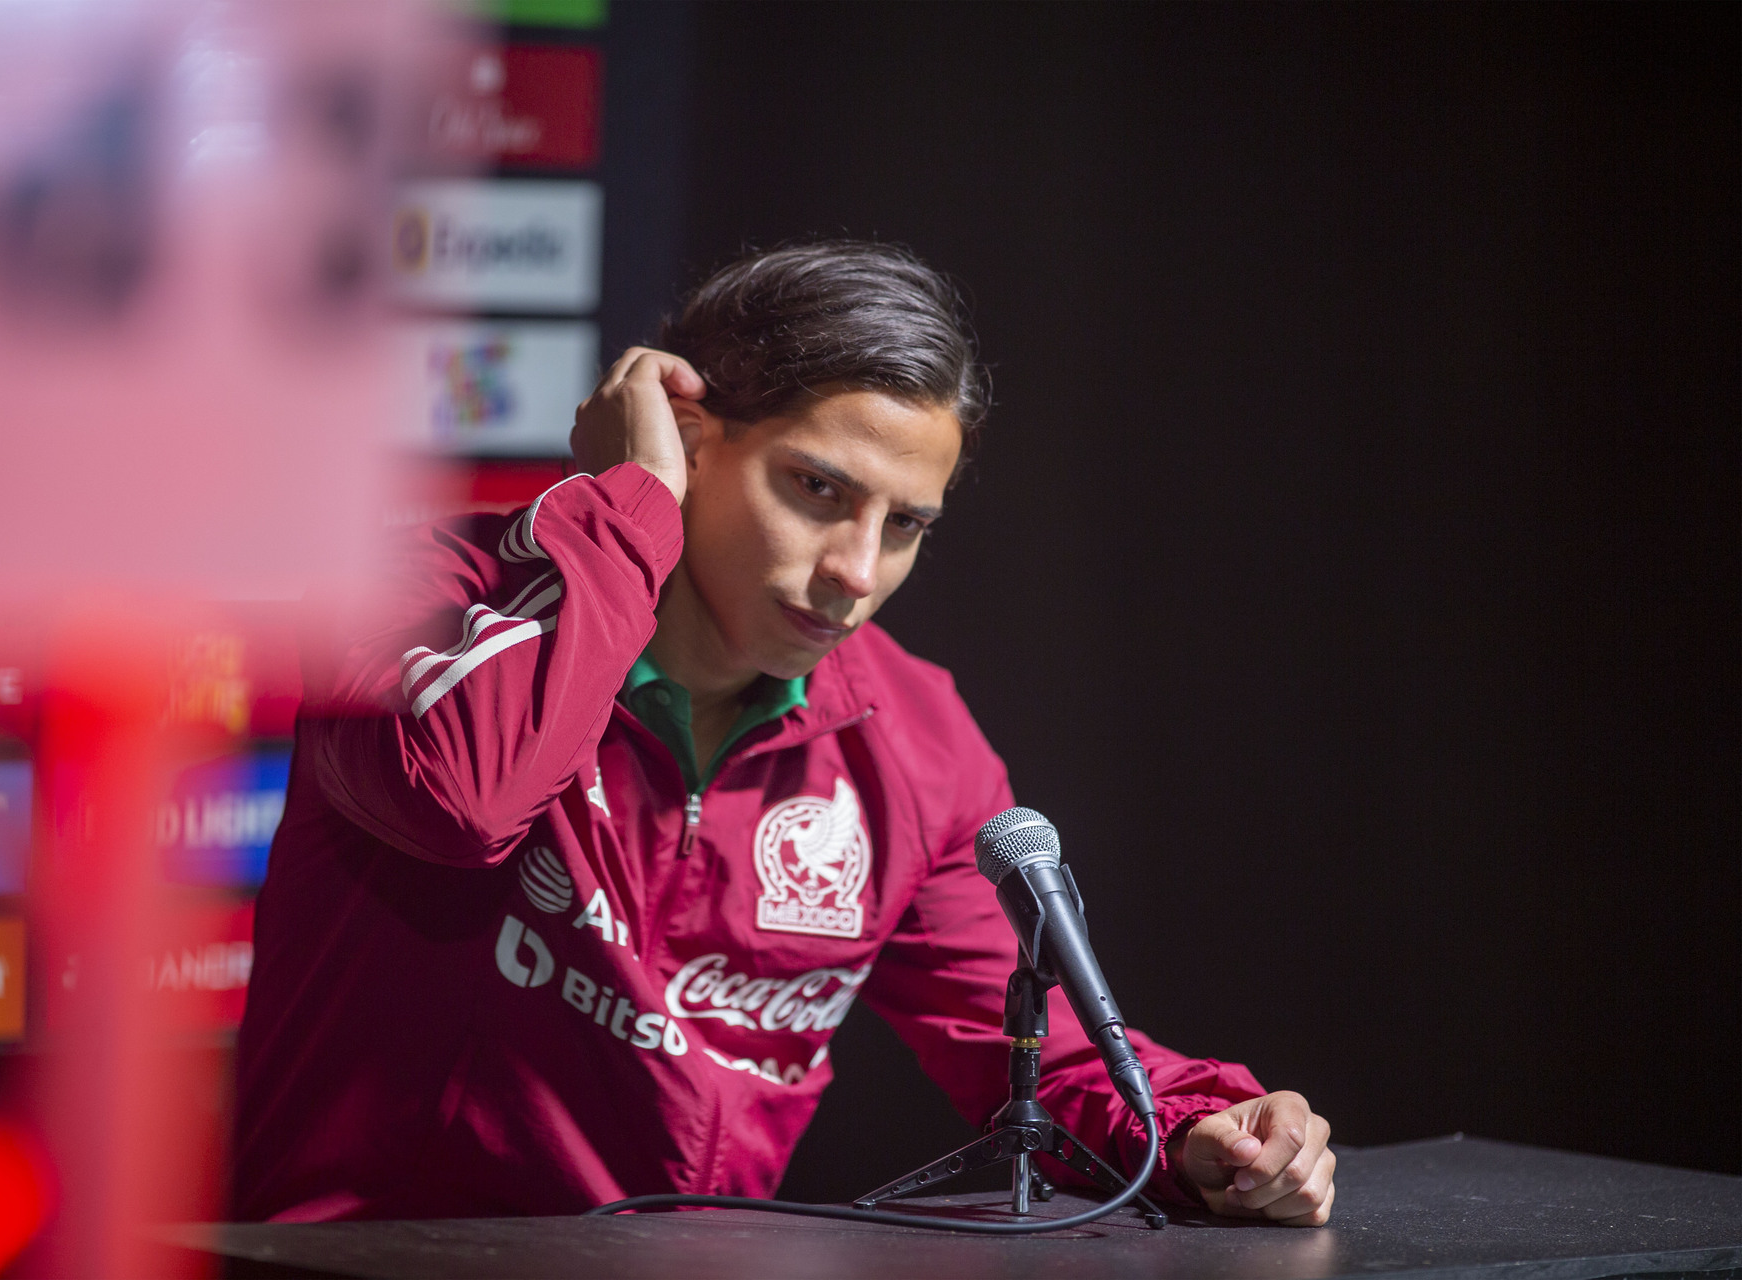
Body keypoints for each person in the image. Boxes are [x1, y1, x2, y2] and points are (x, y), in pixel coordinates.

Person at [232, 241, 1335, 1227]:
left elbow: (1032, 1051)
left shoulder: (914, 736)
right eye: (817, 489)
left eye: (904, 525)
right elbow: (466, 800)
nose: (857, 571)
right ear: (689, 436)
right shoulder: (417, 590)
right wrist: (628, 501)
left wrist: (1202, 1132)